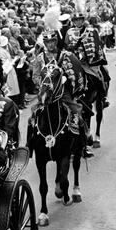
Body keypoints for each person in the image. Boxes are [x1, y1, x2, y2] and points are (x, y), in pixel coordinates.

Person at [32, 30, 93, 158]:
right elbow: (35, 75)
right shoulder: (39, 58)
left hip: (62, 91)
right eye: (47, 42)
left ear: (56, 41)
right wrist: (43, 83)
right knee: (32, 117)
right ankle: (31, 145)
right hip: (46, 91)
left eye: (53, 41)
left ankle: (84, 142)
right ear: (44, 43)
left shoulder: (66, 55)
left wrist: (65, 79)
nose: (50, 44)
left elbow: (77, 72)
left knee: (77, 113)